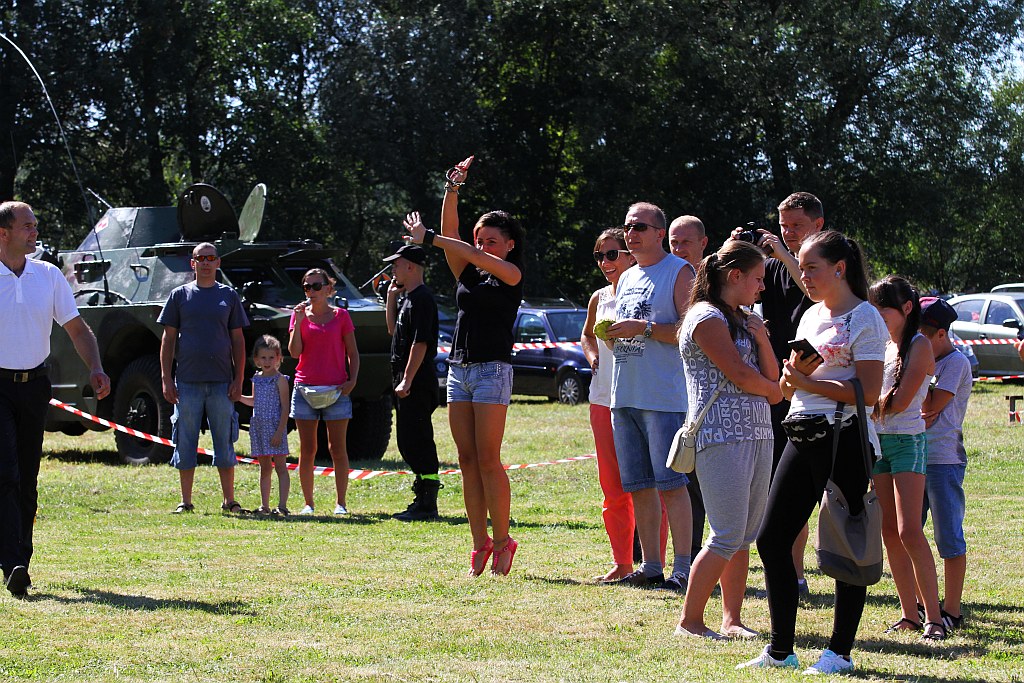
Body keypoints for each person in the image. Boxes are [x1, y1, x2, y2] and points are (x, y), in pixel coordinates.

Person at [739, 230, 885, 675]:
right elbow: (790, 387)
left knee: (846, 540)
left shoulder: (866, 318)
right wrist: (790, 379)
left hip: (845, 436)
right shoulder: (809, 317)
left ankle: (839, 653)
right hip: (802, 430)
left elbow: (871, 391)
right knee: (772, 539)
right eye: (801, 267)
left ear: (839, 268)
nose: (803, 275)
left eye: (811, 267)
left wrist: (809, 383)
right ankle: (781, 650)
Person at [401, 156, 524, 576]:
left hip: (493, 369)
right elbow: (454, 237)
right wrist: (452, 189)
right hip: (460, 370)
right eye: (480, 239)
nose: (483, 246)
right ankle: (480, 544)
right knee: (467, 461)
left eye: (491, 240)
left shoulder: (511, 272)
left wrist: (432, 238)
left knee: (490, 459)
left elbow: (452, 242)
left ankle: (505, 540)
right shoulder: (468, 273)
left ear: (508, 244)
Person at [0, 201, 110, 597]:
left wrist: (96, 367)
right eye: (27, 226)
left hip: (34, 385)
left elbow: (77, 329)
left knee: (27, 478)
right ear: (4, 233)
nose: (34, 231)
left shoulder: (47, 276)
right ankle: (10, 558)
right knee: (6, 472)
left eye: (35, 224)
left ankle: (20, 564)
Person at [674, 240, 782, 639]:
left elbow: (771, 373)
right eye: (757, 278)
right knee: (724, 534)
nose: (761, 287)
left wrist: (764, 340)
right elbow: (739, 373)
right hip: (720, 435)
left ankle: (731, 620)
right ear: (734, 276)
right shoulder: (705, 317)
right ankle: (690, 621)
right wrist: (773, 393)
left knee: (743, 536)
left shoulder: (744, 318)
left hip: (756, 432)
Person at [735, 191, 824, 598]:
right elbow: (727, 285)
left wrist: (786, 256)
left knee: (803, 484)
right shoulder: (767, 266)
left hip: (813, 384)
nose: (786, 234)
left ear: (817, 226)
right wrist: (739, 248)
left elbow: (816, 296)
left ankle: (799, 570)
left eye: (796, 227)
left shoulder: (824, 264)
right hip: (775, 381)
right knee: (777, 481)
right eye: (783, 226)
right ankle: (786, 569)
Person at [604, 202, 695, 592]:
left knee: (671, 485)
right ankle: (652, 566)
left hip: (663, 397)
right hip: (624, 394)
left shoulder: (679, 271)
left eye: (640, 226)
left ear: (660, 233)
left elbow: (690, 331)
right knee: (639, 484)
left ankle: (685, 568)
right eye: (627, 226)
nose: (631, 233)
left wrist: (640, 329)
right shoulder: (625, 277)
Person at [581, 228, 670, 582]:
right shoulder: (599, 297)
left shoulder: (645, 294)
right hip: (603, 399)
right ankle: (621, 563)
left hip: (643, 397)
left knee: (653, 485)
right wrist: (592, 357)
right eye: (600, 256)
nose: (605, 262)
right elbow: (587, 334)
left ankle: (656, 564)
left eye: (612, 254)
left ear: (631, 255)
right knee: (613, 487)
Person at [868, 276, 944, 640]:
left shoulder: (920, 346)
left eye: (882, 307)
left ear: (906, 309)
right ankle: (908, 614)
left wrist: (860, 402)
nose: (876, 313)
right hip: (879, 445)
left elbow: (898, 403)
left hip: (907, 443)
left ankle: (934, 617)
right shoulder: (882, 345)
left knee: (909, 530)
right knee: (889, 532)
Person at [159, 242, 248, 514]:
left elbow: (238, 340)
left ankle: (229, 500)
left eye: (211, 258)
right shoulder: (179, 295)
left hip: (221, 382)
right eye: (201, 258)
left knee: (225, 440)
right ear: (193, 263)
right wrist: (166, 378)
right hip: (186, 382)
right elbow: (168, 338)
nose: (206, 262)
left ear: (218, 263)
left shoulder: (229, 296)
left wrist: (238, 378)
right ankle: (186, 502)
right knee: (185, 440)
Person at [287, 268, 359, 516]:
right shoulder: (299, 316)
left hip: (336, 389)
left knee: (337, 448)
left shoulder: (341, 316)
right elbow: (295, 353)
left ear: (329, 289)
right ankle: (308, 503)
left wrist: (352, 380)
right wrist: (297, 322)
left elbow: (353, 353)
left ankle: (341, 503)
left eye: (317, 286)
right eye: (307, 287)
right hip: (304, 388)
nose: (311, 291)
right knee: (307, 450)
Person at [919, 296, 972, 633]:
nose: (916, 343)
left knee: (948, 537)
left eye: (922, 336)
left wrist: (919, 375)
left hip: (943, 460)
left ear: (940, 334)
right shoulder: (921, 357)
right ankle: (921, 608)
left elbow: (928, 408)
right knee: (908, 533)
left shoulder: (955, 364)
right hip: (913, 457)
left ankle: (951, 610)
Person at [383, 244, 442, 521]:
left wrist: (407, 380)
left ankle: (428, 503)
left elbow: (420, 343)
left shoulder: (422, 300)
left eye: (396, 264)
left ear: (411, 266)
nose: (393, 269)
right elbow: (395, 332)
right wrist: (391, 300)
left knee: (418, 441)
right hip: (405, 380)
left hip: (416, 381)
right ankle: (421, 498)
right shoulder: (408, 298)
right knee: (406, 441)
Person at [668, 214, 710, 560]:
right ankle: (650, 554)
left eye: (686, 242)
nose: (679, 249)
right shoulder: (664, 277)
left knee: (692, 479)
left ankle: (694, 552)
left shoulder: (711, 290)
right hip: (667, 393)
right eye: (673, 243)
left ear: (703, 244)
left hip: (699, 400)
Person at [237, 335, 291, 516]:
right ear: (257, 360)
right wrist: (239, 397)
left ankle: (282, 506)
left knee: (281, 467)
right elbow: (255, 401)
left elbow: (285, 408)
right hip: (260, 427)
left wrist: (279, 432)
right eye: (263, 358)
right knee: (265, 467)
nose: (267, 361)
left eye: (271, 357)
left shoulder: (280, 380)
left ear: (278, 358)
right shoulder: (256, 379)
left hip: (275, 427)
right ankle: (264, 505)